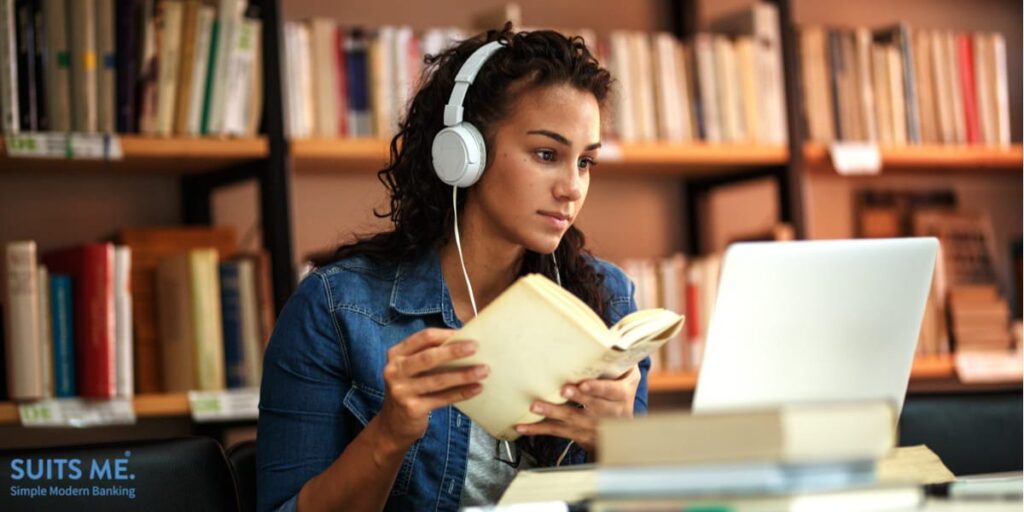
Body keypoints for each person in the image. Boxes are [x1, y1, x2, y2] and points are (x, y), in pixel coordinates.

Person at [257, 25, 651, 512]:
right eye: (547, 154)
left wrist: (622, 445)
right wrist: (390, 432)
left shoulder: (607, 300)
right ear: (464, 154)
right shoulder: (336, 309)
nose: (572, 188)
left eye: (586, 162)